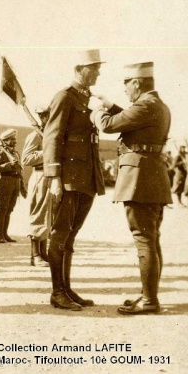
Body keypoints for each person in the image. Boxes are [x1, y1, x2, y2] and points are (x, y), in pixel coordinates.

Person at [93, 61, 172, 315]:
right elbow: (130, 119)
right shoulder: (156, 105)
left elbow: (108, 125)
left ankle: (150, 301)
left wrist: (97, 111)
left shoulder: (146, 105)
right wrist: (110, 105)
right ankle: (149, 295)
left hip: (140, 179)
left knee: (143, 239)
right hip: (152, 177)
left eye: (126, 84)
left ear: (137, 82)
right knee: (151, 239)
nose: (125, 90)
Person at [43, 49, 106, 310]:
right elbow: (52, 136)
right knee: (60, 234)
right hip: (68, 177)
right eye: (94, 67)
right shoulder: (64, 97)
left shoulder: (89, 99)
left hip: (86, 176)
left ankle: (66, 289)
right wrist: (55, 177)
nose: (98, 72)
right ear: (79, 69)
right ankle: (57, 292)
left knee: (71, 235)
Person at [21, 106, 51, 267]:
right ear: (43, 117)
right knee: (38, 214)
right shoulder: (35, 136)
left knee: (48, 215)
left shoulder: (52, 135)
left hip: (51, 177)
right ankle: (35, 255)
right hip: (40, 176)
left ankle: (44, 253)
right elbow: (26, 159)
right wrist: (47, 151)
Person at [0, 128, 26, 243]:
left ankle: (5, 234)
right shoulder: (1, 153)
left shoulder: (15, 153)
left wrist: (22, 186)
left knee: (9, 210)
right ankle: (0, 235)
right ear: (5, 141)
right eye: (11, 139)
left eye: (15, 139)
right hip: (6, 181)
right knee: (3, 209)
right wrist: (8, 165)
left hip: (16, 182)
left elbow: (20, 170)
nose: (14, 141)